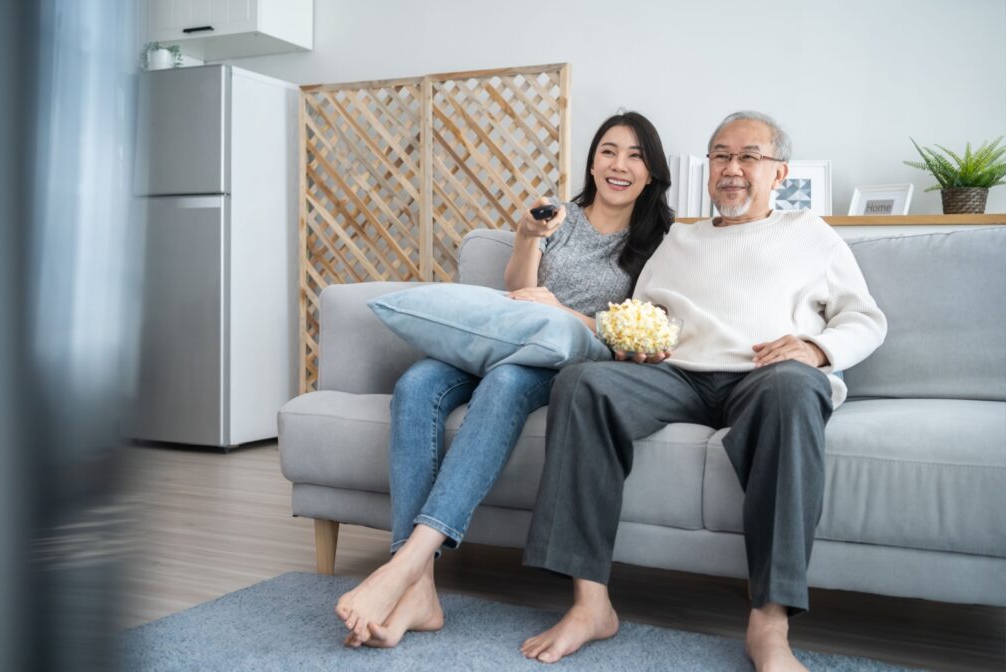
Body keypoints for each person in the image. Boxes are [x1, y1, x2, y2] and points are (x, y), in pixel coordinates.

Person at [520, 111, 888, 671]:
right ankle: (590, 603)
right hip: (679, 374)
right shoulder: (679, 239)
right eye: (721, 156)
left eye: (748, 157)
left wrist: (817, 351)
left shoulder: (810, 234)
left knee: (795, 390)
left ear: (779, 172)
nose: (732, 169)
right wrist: (633, 343)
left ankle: (769, 623)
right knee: (583, 382)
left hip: (766, 374)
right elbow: (641, 315)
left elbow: (866, 319)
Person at [335, 111, 674, 648]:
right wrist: (525, 236)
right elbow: (518, 290)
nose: (619, 165)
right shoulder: (561, 216)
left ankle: (404, 566)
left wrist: (563, 312)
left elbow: (643, 332)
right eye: (608, 151)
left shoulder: (661, 240)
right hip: (507, 336)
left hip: (565, 360)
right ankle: (419, 590)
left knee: (506, 383)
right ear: (592, 159)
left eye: (635, 156)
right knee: (417, 384)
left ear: (651, 173)